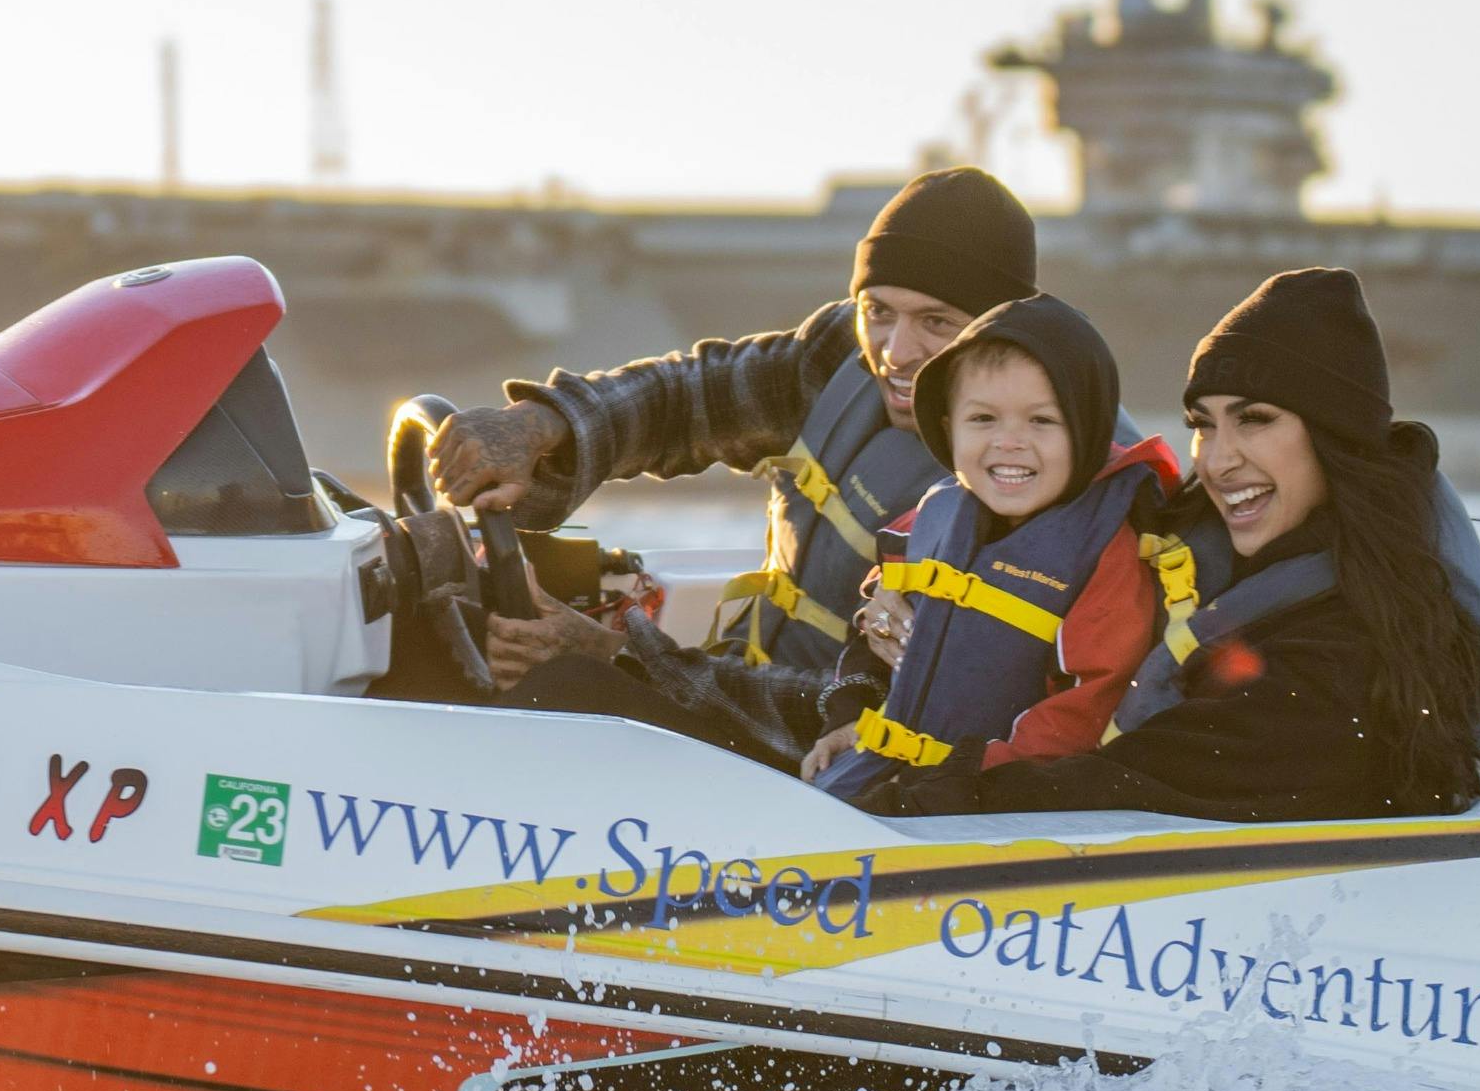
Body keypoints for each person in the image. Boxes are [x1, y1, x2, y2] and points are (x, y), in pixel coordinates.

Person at [424, 167, 1040, 766]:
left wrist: (613, 656)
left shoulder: (1029, 481)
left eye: (936, 323)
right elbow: (692, 397)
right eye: (878, 310)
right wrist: (539, 425)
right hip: (727, 695)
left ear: (999, 332)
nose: (895, 352)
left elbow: (874, 717)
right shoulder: (840, 358)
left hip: (821, 770)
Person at [970, 268, 1480, 822]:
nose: (1217, 460)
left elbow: (1133, 780)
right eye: (1202, 425)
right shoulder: (1188, 557)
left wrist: (918, 800)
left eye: (1254, 419)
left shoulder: (1348, 657)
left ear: (1334, 434)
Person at [800, 295, 1179, 812]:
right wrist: (850, 716)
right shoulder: (939, 513)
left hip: (983, 806)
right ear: (947, 427)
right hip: (882, 774)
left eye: (1042, 422)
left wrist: (963, 786)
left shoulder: (1111, 550)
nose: (1009, 443)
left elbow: (1088, 707)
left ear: (1088, 431)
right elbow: (875, 629)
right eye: (982, 419)